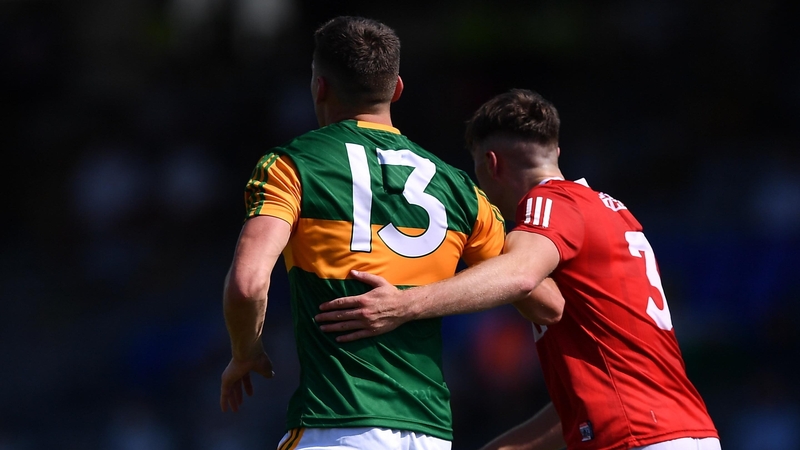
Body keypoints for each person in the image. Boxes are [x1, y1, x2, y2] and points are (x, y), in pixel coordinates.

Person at [315, 89, 721, 450]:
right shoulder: (612, 212)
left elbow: (520, 275)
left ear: (491, 165)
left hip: (635, 436)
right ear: (555, 152)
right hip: (683, 429)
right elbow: (588, 396)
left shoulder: (550, 205)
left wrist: (403, 305)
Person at [219, 16, 515, 450]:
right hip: (430, 434)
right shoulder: (459, 189)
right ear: (396, 89)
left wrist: (245, 351)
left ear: (319, 87)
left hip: (337, 423)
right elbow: (534, 293)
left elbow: (247, 285)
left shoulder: (291, 166)